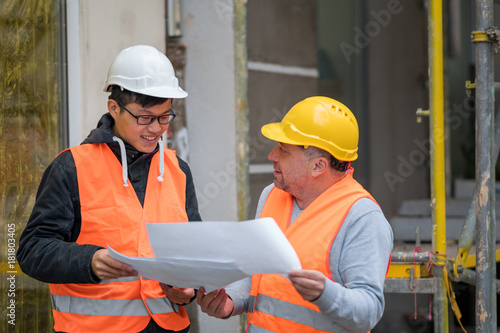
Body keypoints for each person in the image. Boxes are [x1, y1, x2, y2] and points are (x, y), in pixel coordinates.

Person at [17, 45, 201, 333]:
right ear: (114, 108)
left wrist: (190, 289)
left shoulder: (178, 170)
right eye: (145, 117)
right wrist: (88, 261)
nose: (156, 129)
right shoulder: (71, 167)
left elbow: (194, 252)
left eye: (164, 117)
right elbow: (32, 250)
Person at [197, 96, 393, 332]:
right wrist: (230, 301)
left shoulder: (362, 217)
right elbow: (256, 273)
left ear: (319, 166)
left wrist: (325, 293)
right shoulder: (271, 194)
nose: (272, 156)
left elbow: (368, 313)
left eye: (284, 150)